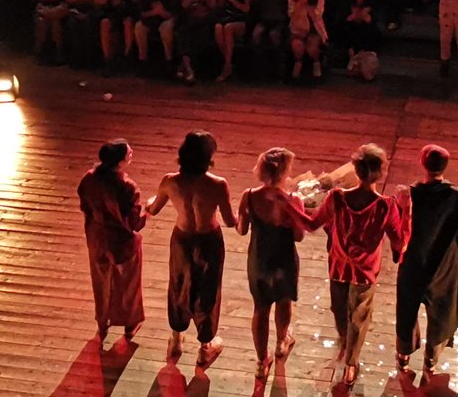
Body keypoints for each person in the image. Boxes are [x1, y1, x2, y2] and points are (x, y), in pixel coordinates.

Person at [147, 130, 236, 366]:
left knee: (179, 283)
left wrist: (147, 202)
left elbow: (153, 209)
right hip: (209, 239)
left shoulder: (170, 181)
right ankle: (205, 346)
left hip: (182, 238)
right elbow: (230, 220)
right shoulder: (217, 184)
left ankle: (176, 337)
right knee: (208, 288)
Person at [320, 143, 404, 386]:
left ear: (355, 170)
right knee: (360, 313)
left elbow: (324, 223)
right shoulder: (385, 206)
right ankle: (351, 363)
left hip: (338, 263)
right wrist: (406, 212)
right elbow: (398, 239)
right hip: (365, 269)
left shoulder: (337, 197)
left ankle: (343, 339)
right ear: (382, 172)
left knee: (338, 306)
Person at [394, 143, 458, 378]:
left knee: (407, 310)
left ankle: (403, 356)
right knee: (442, 313)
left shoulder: (408, 196)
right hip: (444, 267)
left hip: (413, 263)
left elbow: (399, 232)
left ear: (422, 163)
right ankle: (431, 361)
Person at [236, 145, 325, 372]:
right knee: (284, 301)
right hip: (284, 258)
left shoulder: (249, 196)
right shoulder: (293, 199)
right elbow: (299, 236)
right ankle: (281, 342)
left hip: (259, 258)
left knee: (260, 308)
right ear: (284, 173)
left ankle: (260, 360)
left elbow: (241, 230)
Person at [78, 139, 148, 350]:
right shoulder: (126, 187)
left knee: (100, 280)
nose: (131, 152)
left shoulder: (89, 179)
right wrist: (148, 212)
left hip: (97, 236)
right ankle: (129, 323)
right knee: (127, 283)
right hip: (120, 241)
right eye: (128, 152)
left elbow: (85, 205)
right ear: (120, 161)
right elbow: (132, 222)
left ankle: (102, 322)